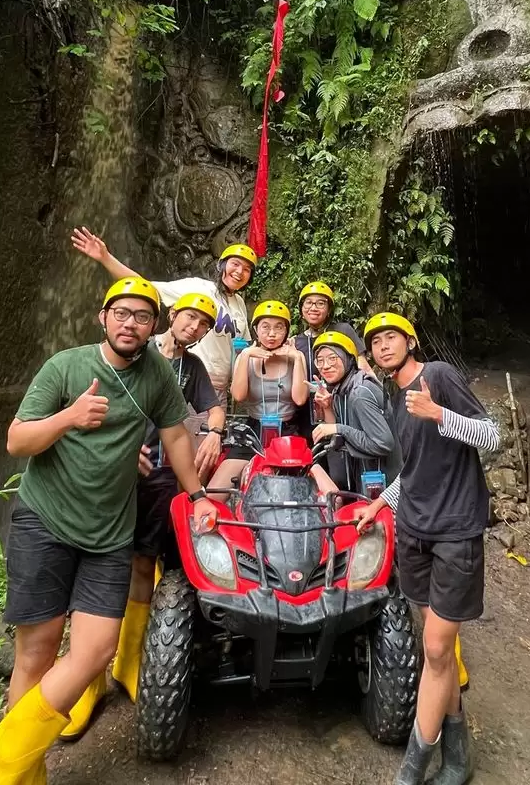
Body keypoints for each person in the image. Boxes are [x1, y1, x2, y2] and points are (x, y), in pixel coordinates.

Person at [0, 276, 216, 785]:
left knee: (95, 649)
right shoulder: (66, 366)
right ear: (103, 317)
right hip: (46, 521)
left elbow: (176, 435)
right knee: (37, 652)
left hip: (110, 532)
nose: (130, 323)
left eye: (141, 317)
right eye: (122, 313)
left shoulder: (158, 373)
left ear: (153, 326)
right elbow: (17, 440)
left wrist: (198, 494)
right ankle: (20, 776)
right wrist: (69, 417)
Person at [60, 290, 225, 740]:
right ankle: (85, 681)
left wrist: (212, 431)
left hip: (158, 479)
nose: (193, 327)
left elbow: (210, 407)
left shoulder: (190, 369)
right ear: (169, 317)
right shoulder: (133, 346)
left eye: (203, 324)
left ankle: (128, 663)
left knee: (141, 562)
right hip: (112, 475)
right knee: (94, 566)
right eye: (189, 318)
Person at [355, 312, 503, 785]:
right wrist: (380, 502)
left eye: (391, 337)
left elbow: (493, 436)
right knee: (438, 652)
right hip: (414, 530)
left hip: (456, 529)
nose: (382, 346)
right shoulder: (395, 401)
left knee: (437, 649)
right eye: (375, 341)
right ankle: (458, 757)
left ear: (410, 341)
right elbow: (412, 471)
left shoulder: (436, 376)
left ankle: (412, 769)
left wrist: (440, 413)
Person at [71, 227, 255, 400]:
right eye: (235, 264)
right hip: (188, 378)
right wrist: (105, 258)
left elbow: (243, 347)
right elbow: (146, 287)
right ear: (222, 265)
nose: (239, 272)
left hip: (219, 390)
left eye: (247, 269)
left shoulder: (239, 304)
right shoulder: (199, 287)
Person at [212, 299, 335, 496]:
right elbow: (238, 395)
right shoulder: (246, 356)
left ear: (286, 331)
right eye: (265, 327)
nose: (271, 334)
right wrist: (245, 356)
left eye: (279, 328)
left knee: (331, 493)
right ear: (256, 329)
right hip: (252, 433)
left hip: (288, 432)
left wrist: (297, 358)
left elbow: (300, 399)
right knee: (214, 494)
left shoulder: (294, 356)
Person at [309, 330, 397, 491]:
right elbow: (337, 436)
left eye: (332, 358)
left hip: (384, 487)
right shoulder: (341, 389)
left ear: (348, 359)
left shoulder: (359, 392)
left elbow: (382, 444)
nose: (325, 366)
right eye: (319, 361)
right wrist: (327, 407)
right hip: (362, 480)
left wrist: (339, 428)